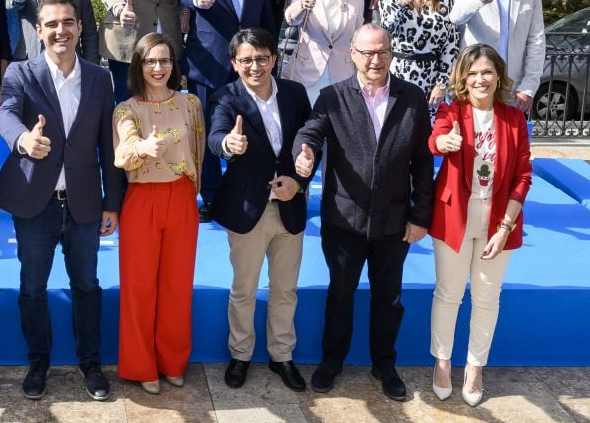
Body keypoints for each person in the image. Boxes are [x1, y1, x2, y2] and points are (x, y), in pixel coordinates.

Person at [293, 24, 434, 401]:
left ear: (391, 53)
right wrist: (304, 153)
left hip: (394, 221)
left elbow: (422, 161)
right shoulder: (331, 97)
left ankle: (385, 366)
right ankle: (331, 362)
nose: (375, 60)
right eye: (367, 52)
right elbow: (311, 132)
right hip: (344, 219)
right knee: (340, 295)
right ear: (351, 54)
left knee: (389, 299)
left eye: (382, 52)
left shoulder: (413, 98)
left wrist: (421, 216)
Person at [0, 0, 124, 402]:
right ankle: (38, 365)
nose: (60, 30)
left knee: (87, 285)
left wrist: (112, 202)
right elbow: (5, 112)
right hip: (36, 204)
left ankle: (91, 364)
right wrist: (22, 139)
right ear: (38, 29)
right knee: (32, 287)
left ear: (80, 27)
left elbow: (110, 144)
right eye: (51, 24)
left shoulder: (100, 79)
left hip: (84, 202)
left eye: (68, 22)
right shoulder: (20, 72)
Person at [207, 28, 312, 392]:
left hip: (290, 205)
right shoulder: (226, 97)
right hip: (248, 209)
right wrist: (229, 144)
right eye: (246, 60)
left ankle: (282, 356)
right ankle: (241, 354)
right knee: (244, 288)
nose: (255, 66)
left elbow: (308, 141)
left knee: (285, 289)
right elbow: (216, 137)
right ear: (235, 64)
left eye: (262, 57)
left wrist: (299, 181)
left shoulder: (296, 94)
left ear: (273, 58)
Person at [428, 44, 531, 407]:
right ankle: (442, 362)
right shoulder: (451, 110)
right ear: (463, 79)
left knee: (486, 297)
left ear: (498, 76)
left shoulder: (513, 119)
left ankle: (475, 367)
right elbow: (436, 139)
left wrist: (505, 228)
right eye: (472, 73)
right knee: (449, 293)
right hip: (455, 215)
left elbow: (522, 175)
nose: (480, 79)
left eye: (486, 72)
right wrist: (445, 140)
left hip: (498, 219)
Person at [112, 33, 204, 394]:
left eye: (164, 60)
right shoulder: (126, 109)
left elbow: (197, 151)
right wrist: (144, 147)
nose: (158, 67)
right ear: (138, 65)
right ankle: (141, 365)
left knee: (177, 286)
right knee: (139, 288)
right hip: (142, 200)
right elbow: (123, 155)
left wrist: (191, 194)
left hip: (181, 197)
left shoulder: (191, 103)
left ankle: (172, 361)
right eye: (150, 60)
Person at [180, 0, 276, 219]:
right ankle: (211, 197)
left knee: (250, 134)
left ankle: (248, 194)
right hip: (208, 70)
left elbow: (266, 19)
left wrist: (270, 59)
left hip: (251, 72)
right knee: (209, 135)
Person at [448, 0, 546, 113]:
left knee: (510, 140)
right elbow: (455, 17)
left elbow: (536, 41)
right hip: (476, 85)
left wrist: (528, 86)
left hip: (514, 89)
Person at [377, 0, 458, 111]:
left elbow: (451, 45)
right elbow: (386, 30)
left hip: (432, 78)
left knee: (429, 131)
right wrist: (400, 5)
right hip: (398, 75)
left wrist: (442, 83)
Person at [282, 0, 365, 104]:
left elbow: (359, 39)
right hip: (307, 76)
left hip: (343, 76)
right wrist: (303, 5)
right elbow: (291, 18)